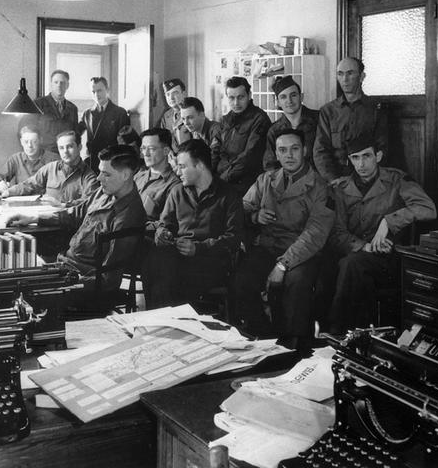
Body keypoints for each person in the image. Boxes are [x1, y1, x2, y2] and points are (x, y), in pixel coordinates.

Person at [322, 132, 436, 334]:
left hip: (389, 258)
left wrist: (388, 222)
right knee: (347, 265)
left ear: (379, 156)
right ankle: (352, 333)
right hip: (356, 254)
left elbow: (428, 209)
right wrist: (364, 246)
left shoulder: (396, 180)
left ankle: (338, 332)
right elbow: (337, 232)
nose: (361, 164)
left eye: (366, 156)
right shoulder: (340, 188)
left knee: (351, 266)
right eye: (355, 158)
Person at [236, 129, 332, 349]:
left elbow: (315, 233)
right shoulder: (266, 180)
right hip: (267, 247)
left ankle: (295, 344)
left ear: (305, 151)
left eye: (295, 149)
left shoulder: (320, 186)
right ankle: (262, 337)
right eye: (283, 150)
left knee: (296, 283)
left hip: (301, 253)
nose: (289, 155)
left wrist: (282, 265)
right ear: (276, 155)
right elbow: (240, 208)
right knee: (242, 280)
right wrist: (254, 216)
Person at [7, 145, 146, 296]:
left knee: (15, 290)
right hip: (65, 265)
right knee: (10, 275)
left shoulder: (128, 217)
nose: (99, 178)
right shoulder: (105, 192)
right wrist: (34, 219)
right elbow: (76, 213)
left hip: (82, 281)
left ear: (125, 175)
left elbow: (108, 280)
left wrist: (64, 285)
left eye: (106, 174)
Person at [150, 139, 244, 309]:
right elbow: (165, 224)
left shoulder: (229, 194)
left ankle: (178, 325)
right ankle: (162, 326)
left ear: (200, 165)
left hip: (212, 261)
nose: (177, 171)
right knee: (154, 265)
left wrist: (199, 248)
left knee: (173, 278)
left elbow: (234, 238)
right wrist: (162, 233)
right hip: (179, 256)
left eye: (182, 166)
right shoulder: (177, 191)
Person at [313, 57, 388, 184]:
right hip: (336, 179)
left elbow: (382, 148)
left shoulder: (375, 110)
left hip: (368, 178)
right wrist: (334, 179)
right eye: (340, 74)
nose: (345, 79)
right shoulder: (328, 111)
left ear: (362, 76)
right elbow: (320, 151)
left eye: (350, 73)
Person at [211, 76, 271, 195]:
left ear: (249, 95)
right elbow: (214, 150)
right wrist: (209, 176)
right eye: (231, 98)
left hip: (245, 183)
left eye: (241, 97)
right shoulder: (226, 120)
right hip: (220, 179)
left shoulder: (260, 119)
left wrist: (221, 181)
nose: (236, 103)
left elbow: (249, 157)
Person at [1, 130, 98, 204]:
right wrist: (8, 192)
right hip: (45, 219)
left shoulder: (89, 176)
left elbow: (88, 203)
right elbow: (29, 185)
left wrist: (63, 205)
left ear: (79, 147)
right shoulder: (50, 168)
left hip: (70, 225)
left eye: (70, 147)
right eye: (61, 148)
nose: (65, 151)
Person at [263, 76, 319, 171]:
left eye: (293, 95)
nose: (289, 101)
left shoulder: (319, 120)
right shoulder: (274, 130)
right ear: (278, 102)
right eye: (283, 97)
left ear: (301, 97)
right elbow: (270, 164)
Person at [80, 76, 130, 173]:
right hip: (92, 162)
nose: (96, 95)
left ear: (107, 90)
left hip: (111, 161)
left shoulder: (119, 113)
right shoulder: (87, 114)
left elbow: (124, 143)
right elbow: (76, 132)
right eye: (93, 92)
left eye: (99, 91)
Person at [135, 128, 182, 231]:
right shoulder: (138, 176)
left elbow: (166, 223)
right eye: (143, 148)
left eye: (151, 149)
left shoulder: (174, 185)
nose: (145, 154)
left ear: (166, 151)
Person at [24, 69, 80, 154]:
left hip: (65, 155)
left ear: (67, 85)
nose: (59, 85)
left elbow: (76, 135)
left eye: (62, 83)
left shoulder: (72, 108)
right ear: (51, 84)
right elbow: (27, 131)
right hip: (44, 156)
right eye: (56, 82)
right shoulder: (38, 104)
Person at [0, 126, 58, 194]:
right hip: (22, 202)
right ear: (21, 142)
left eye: (34, 141)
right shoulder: (16, 159)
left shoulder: (54, 159)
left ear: (40, 140)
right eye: (26, 142)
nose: (29, 145)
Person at [158, 78, 191, 152]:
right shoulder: (166, 115)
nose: (171, 98)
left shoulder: (191, 112)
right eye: (168, 94)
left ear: (183, 93)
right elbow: (163, 139)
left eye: (175, 93)